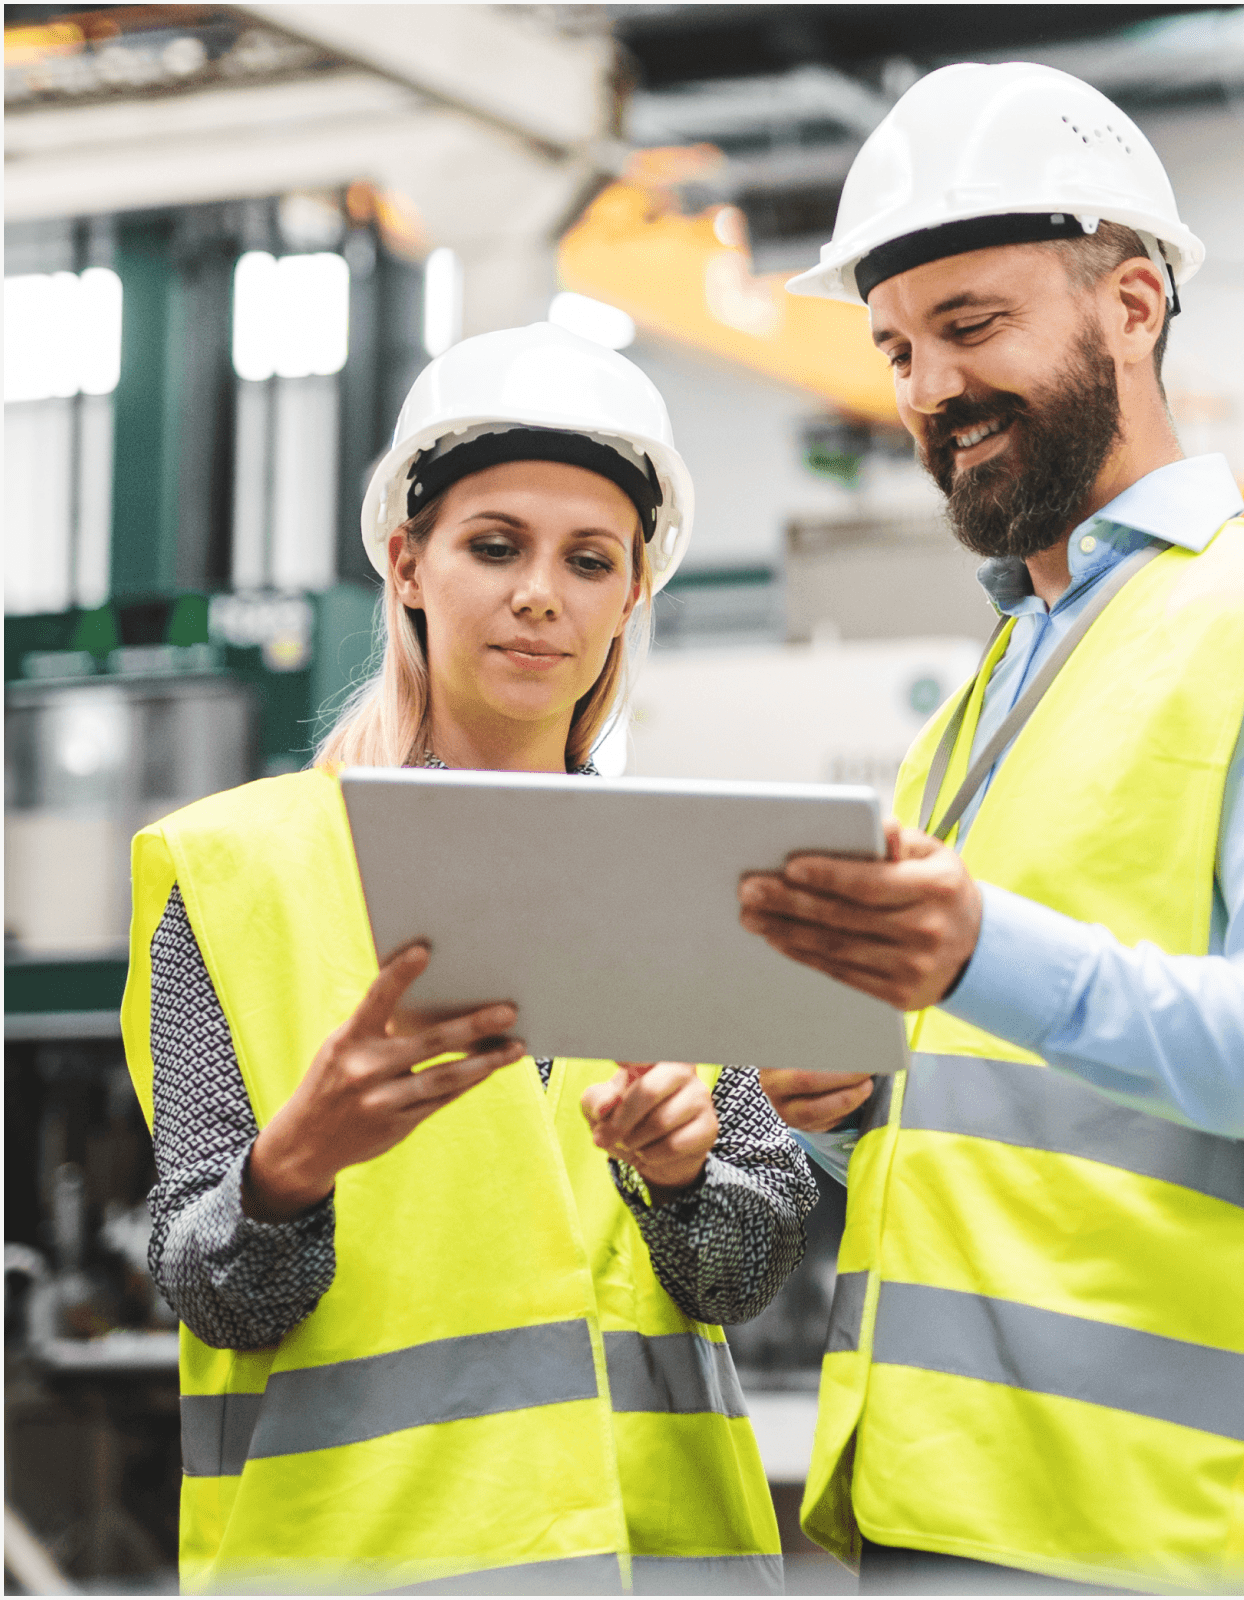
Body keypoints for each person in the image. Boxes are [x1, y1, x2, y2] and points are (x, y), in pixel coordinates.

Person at [740, 62, 1244, 1595]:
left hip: (1164, 1535)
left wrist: (974, 953)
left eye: (973, 325)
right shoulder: (990, 692)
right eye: (896, 348)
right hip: (945, 1506)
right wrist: (872, 1094)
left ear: (1131, 304)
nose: (930, 390)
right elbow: (1040, 1085)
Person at [121, 322, 815, 1594]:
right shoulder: (239, 875)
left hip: (651, 1563)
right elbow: (212, 1291)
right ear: (409, 562)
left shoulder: (692, 871)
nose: (540, 592)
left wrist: (685, 1176)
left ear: (630, 593)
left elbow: (744, 1270)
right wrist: (289, 1170)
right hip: (366, 1564)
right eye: (494, 545)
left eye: (587, 559)